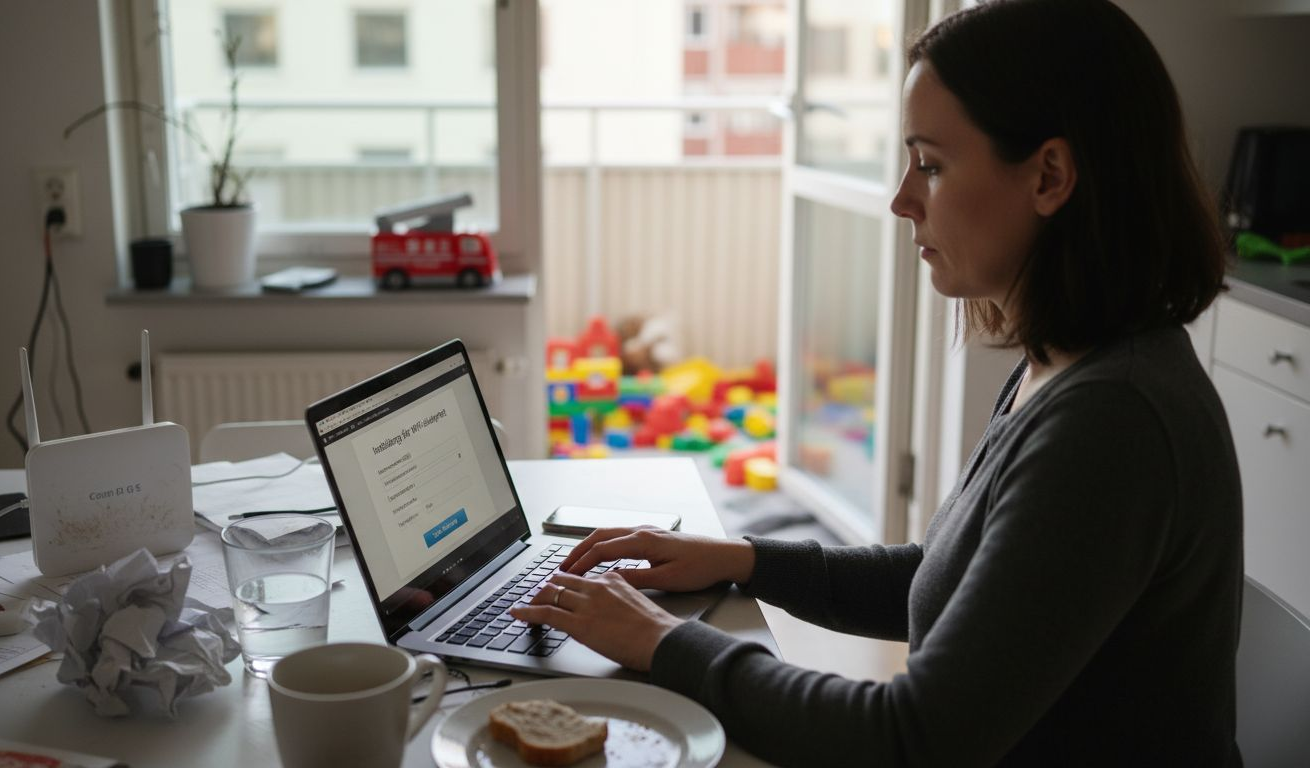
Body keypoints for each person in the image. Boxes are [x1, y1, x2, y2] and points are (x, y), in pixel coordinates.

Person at [510, 0, 1242, 764]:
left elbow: (910, 739)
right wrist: (740, 559)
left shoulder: (1112, 421)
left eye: (930, 163)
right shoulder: (1067, 365)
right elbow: (955, 580)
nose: (901, 199)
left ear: (1050, 176)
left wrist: (666, 643)